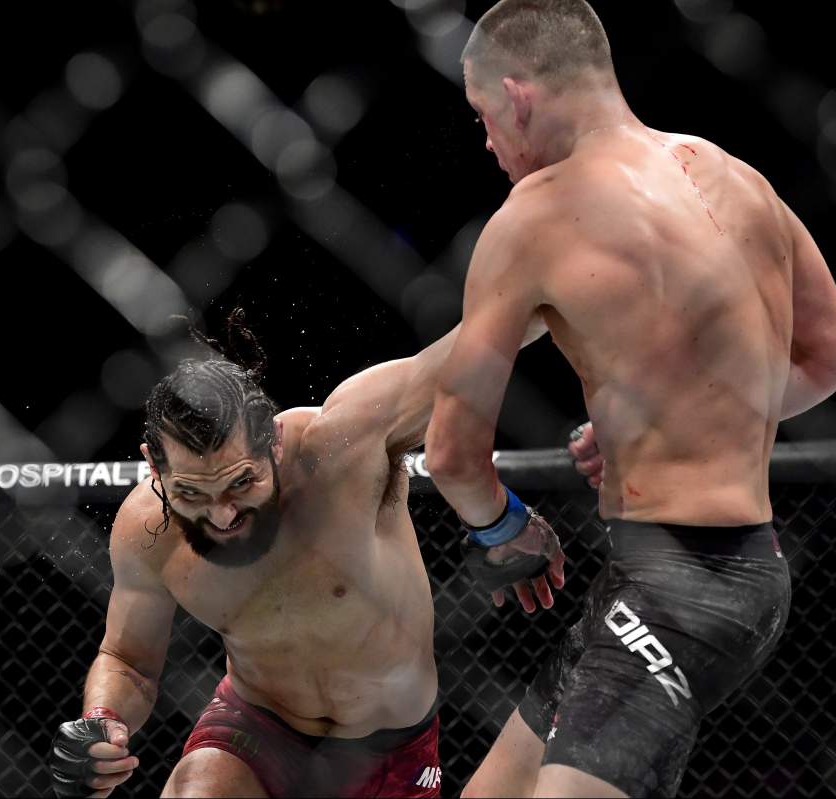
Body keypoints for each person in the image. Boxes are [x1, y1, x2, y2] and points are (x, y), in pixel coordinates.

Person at [424, 1, 836, 796]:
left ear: (518, 96)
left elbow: (454, 454)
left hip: (675, 594)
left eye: (483, 115)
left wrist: (504, 525)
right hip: (728, 572)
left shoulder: (535, 216)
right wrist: (682, 415)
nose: (487, 142)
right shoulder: (733, 175)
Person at [47, 314, 563, 799]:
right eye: (191, 494)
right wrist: (103, 720)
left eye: (241, 482)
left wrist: (571, 283)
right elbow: (129, 661)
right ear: (154, 468)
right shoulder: (147, 531)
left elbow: (490, 335)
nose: (222, 515)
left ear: (272, 440)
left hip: (391, 747)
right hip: (256, 730)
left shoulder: (343, 447)